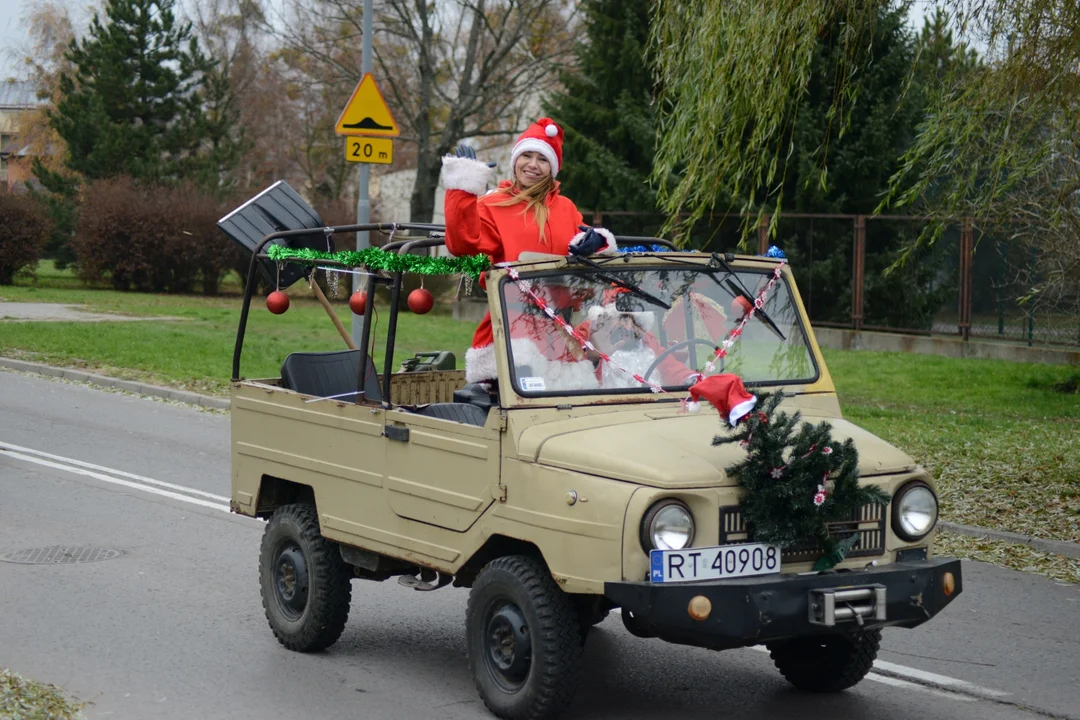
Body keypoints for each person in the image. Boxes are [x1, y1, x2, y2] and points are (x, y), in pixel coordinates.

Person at [441, 117, 617, 386]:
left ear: (553, 167)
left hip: (559, 333)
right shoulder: (493, 204)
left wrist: (597, 243)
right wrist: (462, 190)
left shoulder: (566, 208)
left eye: (543, 159)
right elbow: (461, 243)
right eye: (527, 155)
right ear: (515, 160)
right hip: (511, 328)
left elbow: (587, 258)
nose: (533, 165)